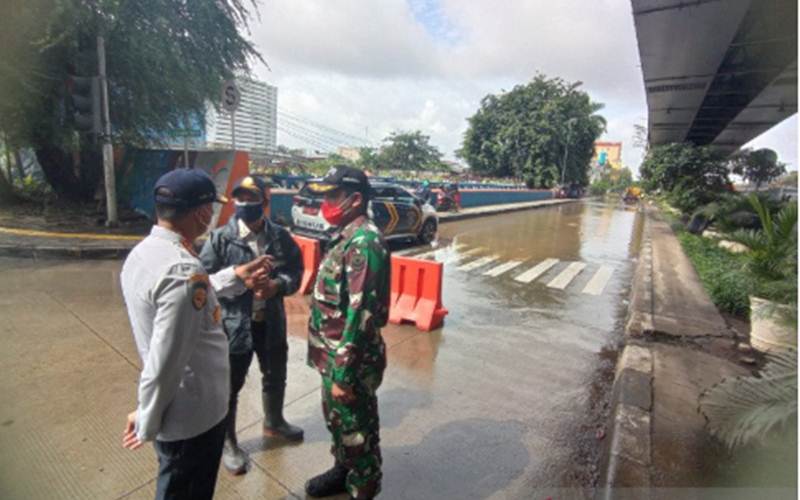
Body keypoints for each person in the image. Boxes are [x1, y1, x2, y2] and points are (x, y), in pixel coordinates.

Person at [120, 169, 268, 500]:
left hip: (183, 409)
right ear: (202, 213)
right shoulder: (182, 269)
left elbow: (188, 302)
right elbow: (165, 360)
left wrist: (233, 276)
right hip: (194, 417)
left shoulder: (146, 253)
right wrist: (146, 416)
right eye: (212, 208)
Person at [199, 175, 304, 475]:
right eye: (240, 198)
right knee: (230, 385)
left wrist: (276, 286)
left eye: (251, 198)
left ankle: (274, 421)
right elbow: (204, 283)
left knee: (275, 375)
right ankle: (228, 441)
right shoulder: (220, 238)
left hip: (270, 321)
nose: (244, 204)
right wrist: (240, 281)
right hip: (234, 325)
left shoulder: (280, 236)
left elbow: (295, 271)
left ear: (265, 202)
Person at [303, 166, 390, 500]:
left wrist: (343, 374)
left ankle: (363, 486)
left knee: (358, 432)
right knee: (339, 423)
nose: (325, 202)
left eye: (332, 195)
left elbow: (360, 315)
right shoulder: (344, 236)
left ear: (355, 199)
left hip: (350, 363)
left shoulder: (364, 242)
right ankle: (343, 471)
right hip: (333, 357)